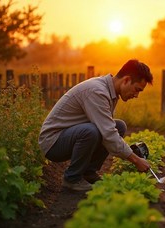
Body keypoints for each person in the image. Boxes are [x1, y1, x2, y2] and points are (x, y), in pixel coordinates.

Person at [38, 59, 152, 191]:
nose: (136, 95)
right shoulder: (97, 91)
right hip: (53, 142)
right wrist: (136, 160)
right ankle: (72, 179)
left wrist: (129, 153)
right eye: (137, 89)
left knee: (119, 126)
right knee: (91, 131)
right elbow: (108, 133)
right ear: (126, 80)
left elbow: (109, 129)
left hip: (69, 135)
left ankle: (88, 173)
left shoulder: (110, 91)